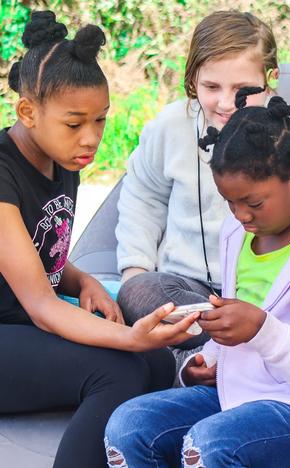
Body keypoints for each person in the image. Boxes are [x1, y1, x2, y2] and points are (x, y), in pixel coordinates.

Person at [104, 90, 290, 467]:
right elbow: (239, 321)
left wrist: (261, 330)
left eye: (253, 203)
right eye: (230, 202)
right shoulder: (238, 231)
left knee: (209, 444)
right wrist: (207, 358)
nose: (240, 215)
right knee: (128, 425)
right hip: (234, 390)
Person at [0, 11, 199, 468]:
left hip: (19, 324)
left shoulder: (60, 159)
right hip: (16, 326)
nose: (90, 138)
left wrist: (83, 281)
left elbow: (35, 252)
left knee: (158, 364)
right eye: (74, 123)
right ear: (27, 111)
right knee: (118, 368)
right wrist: (128, 337)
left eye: (101, 120)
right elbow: (43, 307)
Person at [115, 10, 290, 352]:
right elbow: (142, 199)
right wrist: (134, 269)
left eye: (242, 89)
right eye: (211, 87)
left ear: (271, 78)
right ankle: (224, 356)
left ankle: (216, 357)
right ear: (192, 79)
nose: (226, 103)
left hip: (277, 297)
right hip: (193, 292)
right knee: (138, 291)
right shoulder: (168, 128)